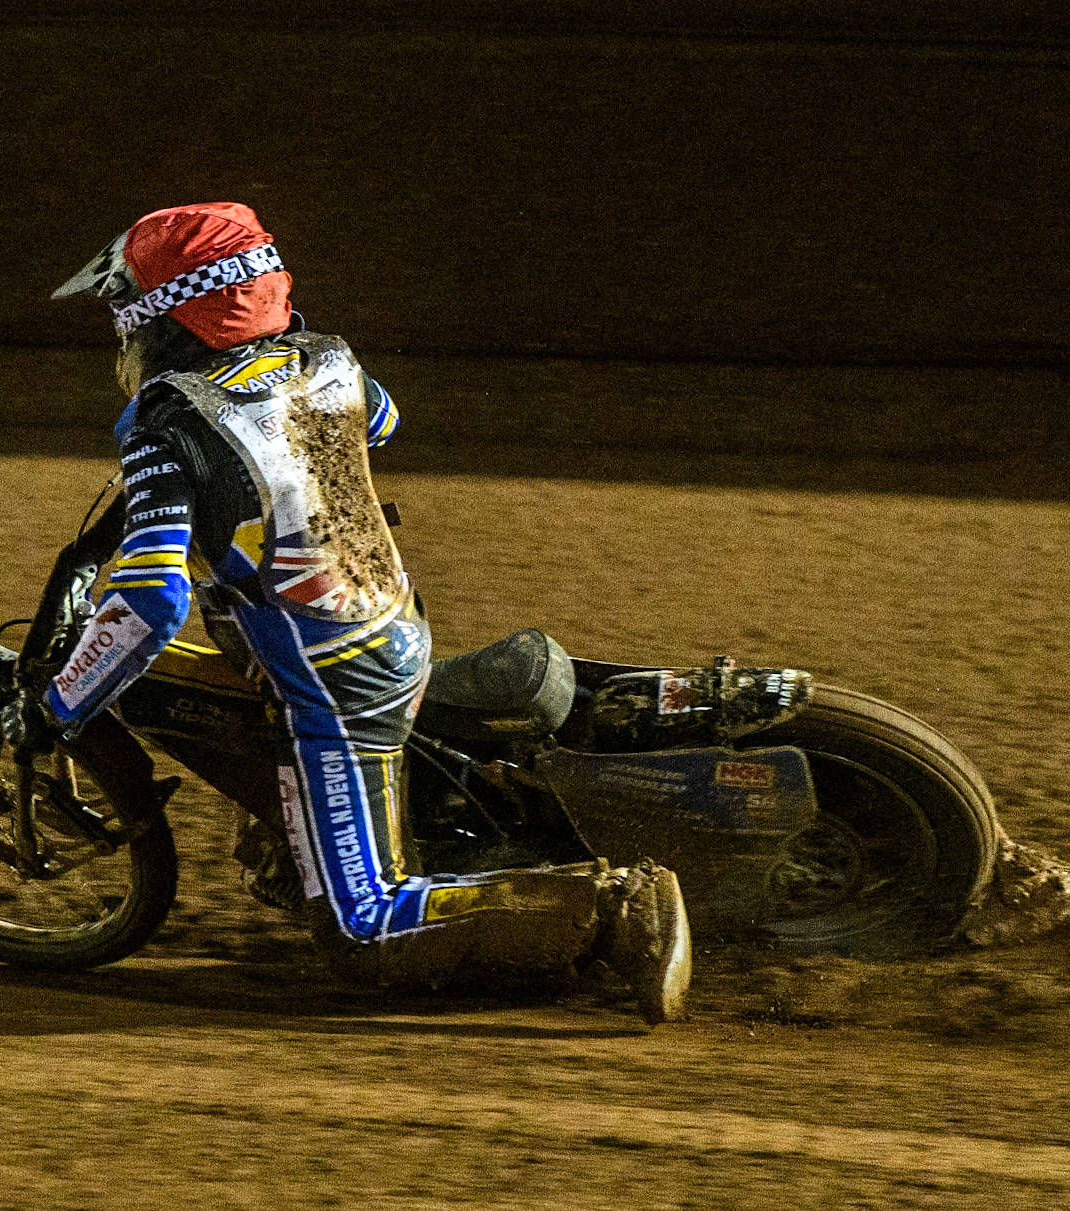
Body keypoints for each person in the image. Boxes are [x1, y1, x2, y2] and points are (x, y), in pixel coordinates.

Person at [40, 202, 689, 1023]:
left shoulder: (167, 425)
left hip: (338, 690)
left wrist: (63, 702)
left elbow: (152, 598)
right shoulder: (329, 358)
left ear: (162, 318)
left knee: (361, 931)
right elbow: (380, 419)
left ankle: (617, 906)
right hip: (393, 618)